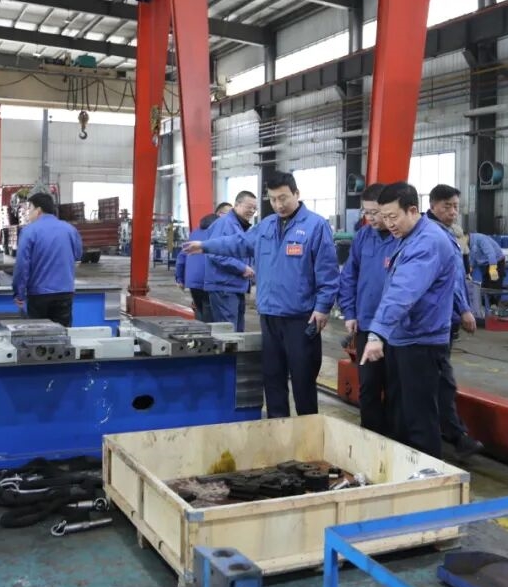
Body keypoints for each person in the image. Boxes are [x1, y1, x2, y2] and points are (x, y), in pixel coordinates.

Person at [184, 171, 339, 417]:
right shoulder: (266, 225)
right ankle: (278, 427)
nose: (278, 204)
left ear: (296, 194)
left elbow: (328, 273)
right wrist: (205, 246)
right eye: (273, 199)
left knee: (303, 381)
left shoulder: (316, 226)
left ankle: (308, 431)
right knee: (272, 379)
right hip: (269, 316)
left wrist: (322, 307)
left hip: (301, 319)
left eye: (283, 198)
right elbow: (238, 243)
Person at [360, 183, 461, 458]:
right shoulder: (409, 236)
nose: (388, 224)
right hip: (405, 338)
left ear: (413, 210)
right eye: (384, 217)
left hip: (422, 342)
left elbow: (402, 292)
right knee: (401, 415)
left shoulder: (427, 242)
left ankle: (426, 475)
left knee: (419, 419)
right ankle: (404, 470)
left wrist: (377, 333)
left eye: (393, 217)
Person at [424, 184, 483, 458]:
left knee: (440, 378)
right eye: (447, 206)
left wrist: (462, 308)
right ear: (432, 205)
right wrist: (464, 309)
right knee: (442, 380)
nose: (453, 211)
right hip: (434, 321)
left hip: (444, 318)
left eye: (456, 206)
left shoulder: (449, 234)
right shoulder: (432, 235)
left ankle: (451, 435)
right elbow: (449, 282)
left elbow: (458, 278)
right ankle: (455, 437)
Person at [338, 183, 398, 436]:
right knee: (369, 385)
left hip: (396, 328)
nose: (371, 218)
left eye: (376, 213)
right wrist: (350, 312)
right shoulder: (363, 236)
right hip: (366, 324)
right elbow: (349, 277)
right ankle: (370, 437)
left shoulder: (402, 237)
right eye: (367, 212)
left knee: (396, 388)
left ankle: (395, 440)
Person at [12, 192, 83, 326]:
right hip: (65, 293)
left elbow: (22, 266)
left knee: (38, 334)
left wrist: (19, 293)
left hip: (38, 295)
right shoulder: (70, 230)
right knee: (63, 334)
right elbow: (78, 257)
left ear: (38, 210)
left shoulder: (29, 231)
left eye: (30, 208)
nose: (28, 213)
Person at [204, 192, 258, 331]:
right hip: (224, 287)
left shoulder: (239, 226)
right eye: (249, 207)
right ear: (237, 205)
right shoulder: (225, 224)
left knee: (237, 332)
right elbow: (214, 253)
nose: (252, 211)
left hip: (235, 286)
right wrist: (242, 268)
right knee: (228, 332)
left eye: (254, 208)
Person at [175, 213, 217, 322]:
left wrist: (179, 279)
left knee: (199, 309)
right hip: (208, 280)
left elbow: (181, 257)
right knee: (209, 313)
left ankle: (199, 331)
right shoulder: (216, 234)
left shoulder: (194, 234)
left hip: (192, 281)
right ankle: (206, 332)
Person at [464, 231, 507, 305]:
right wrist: (469, 269)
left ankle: (494, 307)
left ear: (466, 236)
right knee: (485, 287)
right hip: (484, 265)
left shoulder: (480, 239)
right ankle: (486, 307)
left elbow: (491, 253)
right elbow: (473, 257)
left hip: (496, 262)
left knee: (494, 287)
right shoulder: (469, 244)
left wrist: (493, 267)